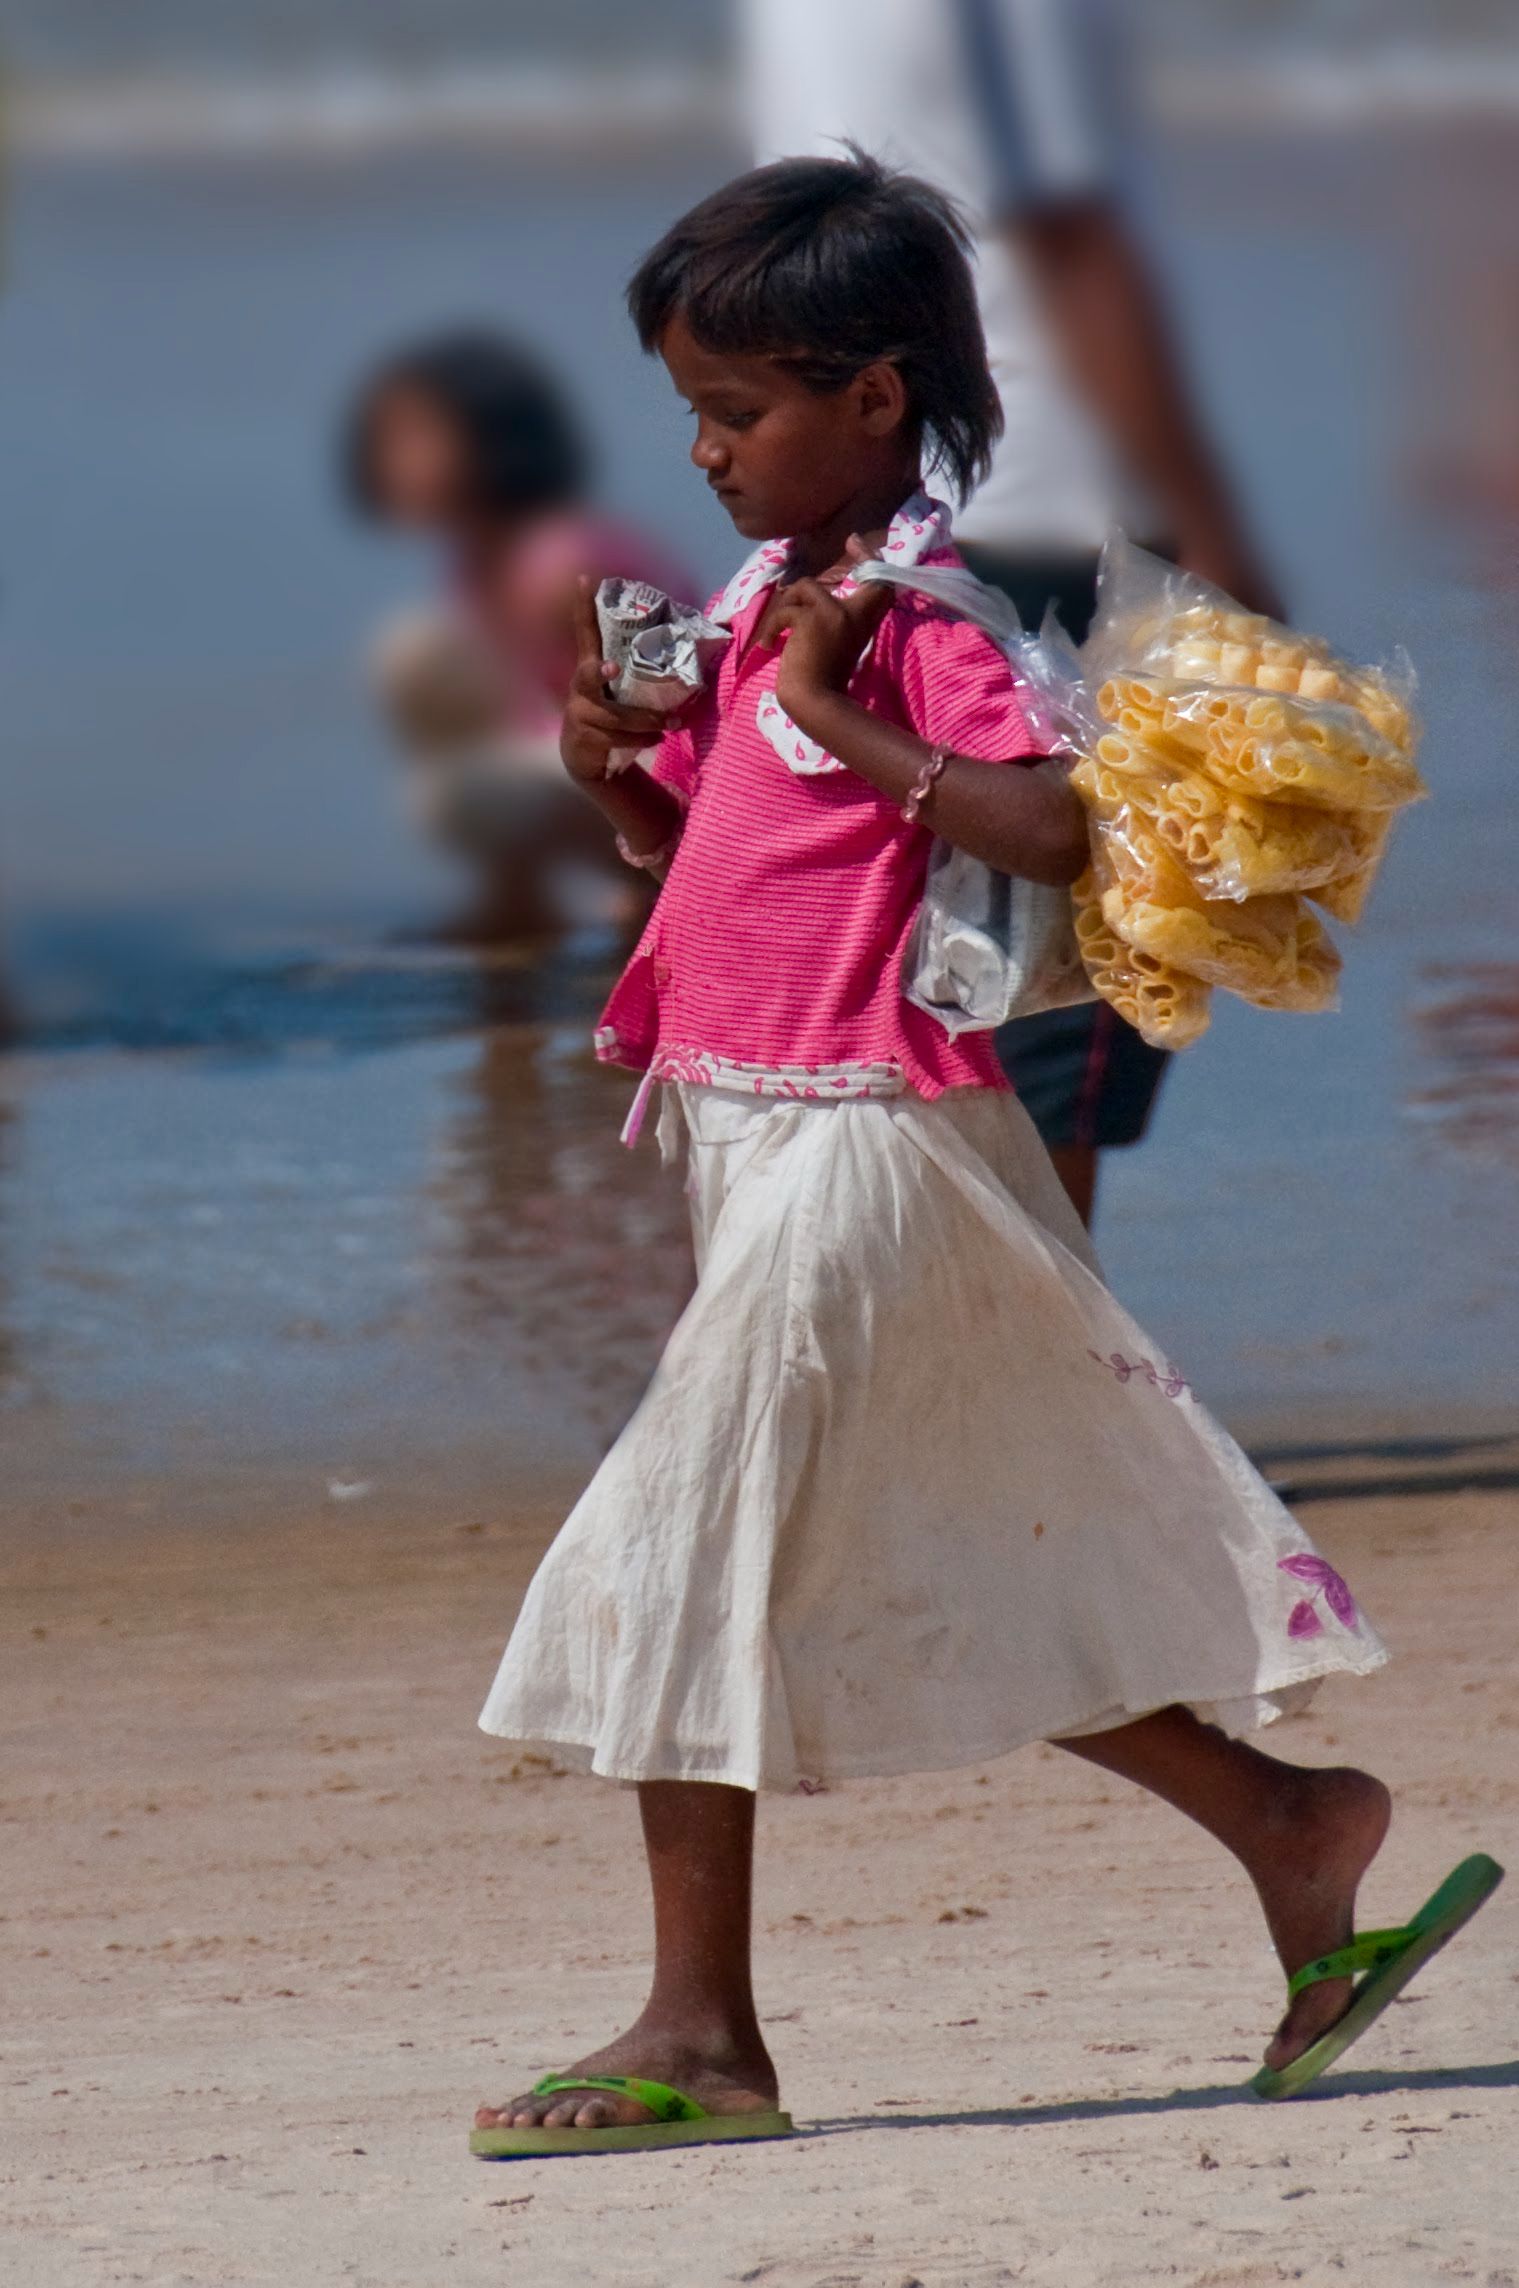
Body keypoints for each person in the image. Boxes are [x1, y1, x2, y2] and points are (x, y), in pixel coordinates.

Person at [465, 158, 1497, 2158]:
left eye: (738, 410)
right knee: (911, 1554)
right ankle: (1294, 1831)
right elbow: (716, 870)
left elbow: (1043, 833)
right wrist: (618, 767)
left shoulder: (909, 620)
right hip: (752, 1134)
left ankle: (704, 2036)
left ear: (872, 399)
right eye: (686, 409)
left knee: (682, 1541)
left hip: (880, 1139)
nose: (703, 451)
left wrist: (837, 707)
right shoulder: (768, 607)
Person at [741, 0, 1283, 1225]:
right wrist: (1214, 525)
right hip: (1039, 502)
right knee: (1058, 987)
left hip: (874, 502)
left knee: (904, 968)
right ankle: (1042, 1380)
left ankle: (948, 1366)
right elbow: (1067, 229)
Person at [342, 329, 695, 938]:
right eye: (387, 439)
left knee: (461, 791)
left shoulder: (562, 561)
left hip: (669, 769)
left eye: (418, 436)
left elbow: (669, 708)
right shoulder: (479, 560)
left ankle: (652, 886)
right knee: (415, 653)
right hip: (575, 756)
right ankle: (519, 893)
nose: (395, 459)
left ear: (490, 438)